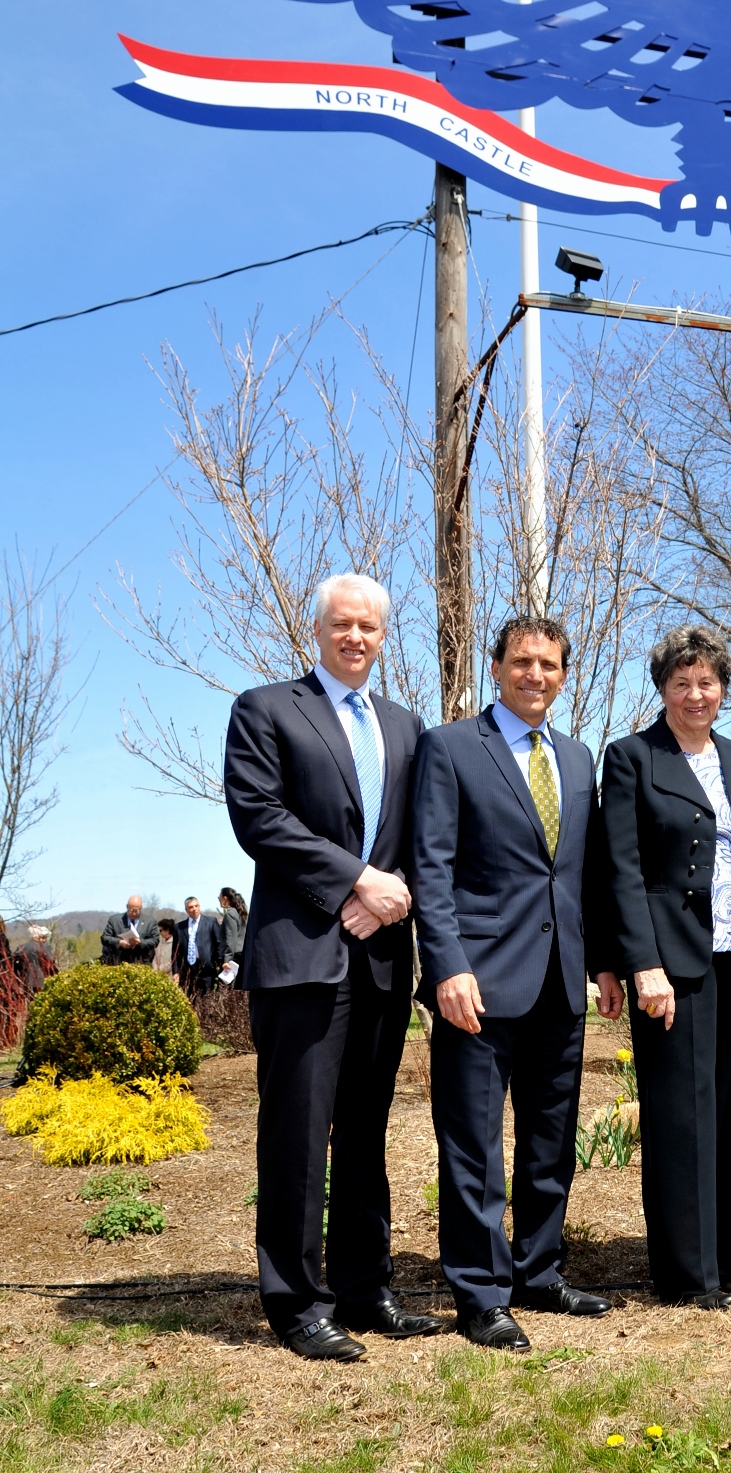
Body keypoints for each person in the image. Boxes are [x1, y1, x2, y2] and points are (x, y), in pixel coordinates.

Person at [224, 572, 437, 1361]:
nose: (355, 637)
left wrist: (393, 893)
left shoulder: (406, 726)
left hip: (381, 958)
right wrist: (354, 881)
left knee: (367, 1135)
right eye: (341, 625)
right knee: (297, 1134)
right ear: (316, 631)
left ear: (384, 637)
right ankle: (296, 1303)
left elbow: (424, 833)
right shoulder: (266, 709)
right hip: (300, 959)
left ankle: (363, 1288)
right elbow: (260, 818)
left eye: (369, 628)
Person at [412, 616, 614, 1352]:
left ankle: (538, 1270)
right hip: (479, 982)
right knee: (473, 1145)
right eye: (522, 661)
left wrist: (599, 964)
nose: (536, 674)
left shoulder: (577, 756)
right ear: (495, 668)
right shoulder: (452, 748)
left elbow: (579, 875)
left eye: (550, 664)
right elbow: (429, 868)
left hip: (560, 983)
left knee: (549, 1142)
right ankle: (480, 1292)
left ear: (564, 675)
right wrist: (446, 966)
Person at [600, 625, 731, 1309]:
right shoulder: (632, 759)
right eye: (681, 683)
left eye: (706, 682)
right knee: (680, 1119)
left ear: (722, 689)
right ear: (662, 688)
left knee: (728, 1115)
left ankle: (725, 1261)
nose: (694, 694)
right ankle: (685, 1274)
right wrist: (642, 964)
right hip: (671, 966)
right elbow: (620, 869)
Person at [175, 896, 225, 996]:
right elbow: (175, 952)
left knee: (206, 999)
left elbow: (219, 944)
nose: (194, 909)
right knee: (189, 999)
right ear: (186, 910)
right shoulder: (179, 927)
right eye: (191, 907)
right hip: (188, 969)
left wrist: (217, 962)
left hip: (207, 968)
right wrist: (176, 971)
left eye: (196, 906)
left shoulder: (210, 922)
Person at [101, 895, 159, 965]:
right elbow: (104, 938)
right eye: (131, 910)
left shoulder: (150, 922)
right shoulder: (114, 920)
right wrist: (119, 942)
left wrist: (140, 942)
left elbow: (155, 940)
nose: (134, 913)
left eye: (137, 911)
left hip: (141, 963)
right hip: (118, 962)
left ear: (141, 908)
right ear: (127, 907)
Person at [218, 889, 248, 976]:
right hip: (242, 953)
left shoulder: (230, 914)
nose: (219, 900)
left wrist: (227, 960)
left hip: (234, 957)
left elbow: (231, 938)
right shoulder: (242, 912)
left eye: (219, 898)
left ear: (225, 898)